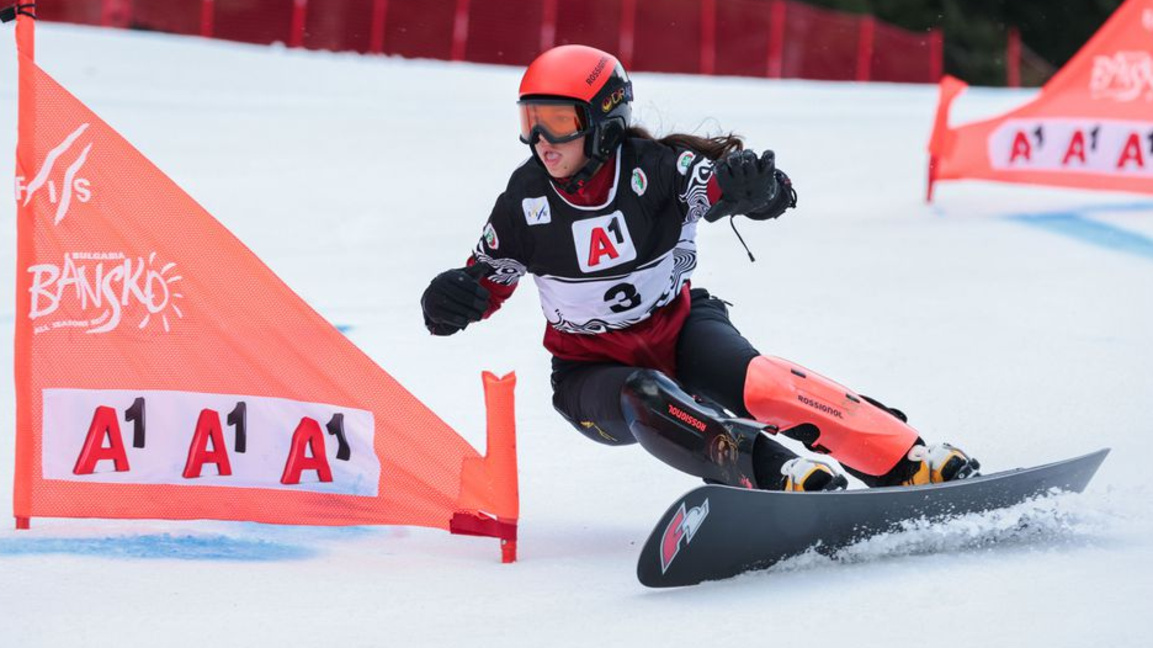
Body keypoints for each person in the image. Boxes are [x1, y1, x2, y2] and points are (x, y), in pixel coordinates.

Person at [420, 44, 979, 492]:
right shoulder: (524, 201)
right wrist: (450, 302)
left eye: (559, 121)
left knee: (761, 383)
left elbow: (718, 185)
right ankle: (775, 475)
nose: (541, 140)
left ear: (604, 122)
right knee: (646, 392)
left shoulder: (654, 169)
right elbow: (484, 282)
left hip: (680, 329)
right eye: (530, 120)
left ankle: (907, 458)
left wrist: (757, 191)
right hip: (590, 376)